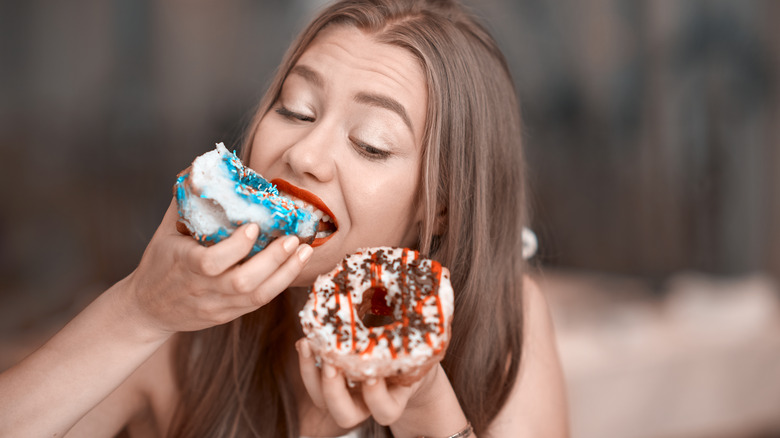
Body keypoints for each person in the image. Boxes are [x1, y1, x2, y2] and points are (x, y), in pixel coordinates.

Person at [0, 0, 568, 436]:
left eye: (371, 144)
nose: (304, 155)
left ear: (438, 205)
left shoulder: (506, 312)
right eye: (294, 109)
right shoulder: (180, 331)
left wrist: (425, 411)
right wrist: (137, 311)